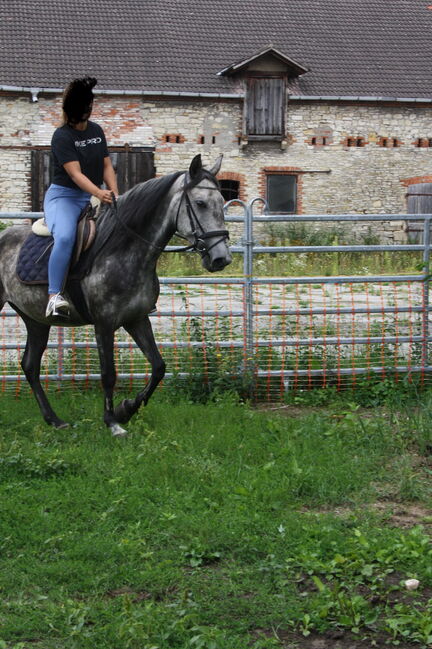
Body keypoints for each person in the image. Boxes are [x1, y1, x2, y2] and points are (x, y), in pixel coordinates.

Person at [44, 76, 119, 318]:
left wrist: (115, 193)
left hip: (91, 197)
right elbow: (75, 175)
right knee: (65, 237)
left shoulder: (97, 130)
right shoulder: (61, 136)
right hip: (64, 198)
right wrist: (99, 193)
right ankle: (54, 296)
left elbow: (107, 166)